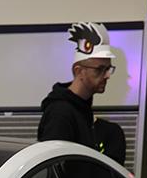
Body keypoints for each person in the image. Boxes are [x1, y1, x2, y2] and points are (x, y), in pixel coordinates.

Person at [37, 21, 117, 152]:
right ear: (79, 71)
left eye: (108, 69)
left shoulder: (82, 110)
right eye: (99, 69)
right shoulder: (60, 114)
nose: (107, 76)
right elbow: (56, 162)